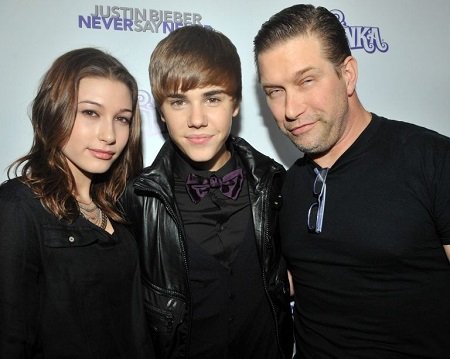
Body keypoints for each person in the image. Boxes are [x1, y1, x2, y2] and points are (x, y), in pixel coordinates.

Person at [253, 4, 450, 358]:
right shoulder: (282, 187)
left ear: (348, 74)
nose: (290, 108)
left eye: (306, 80)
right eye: (274, 91)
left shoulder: (432, 159)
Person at [120, 25, 293, 359]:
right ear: (161, 112)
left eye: (212, 98)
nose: (196, 119)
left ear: (236, 104)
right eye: (179, 101)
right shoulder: (139, 201)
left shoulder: (275, 185)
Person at [0, 47, 153, 358]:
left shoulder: (121, 208)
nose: (108, 134)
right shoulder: (18, 206)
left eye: (122, 119)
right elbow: (10, 336)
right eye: (90, 113)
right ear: (55, 110)